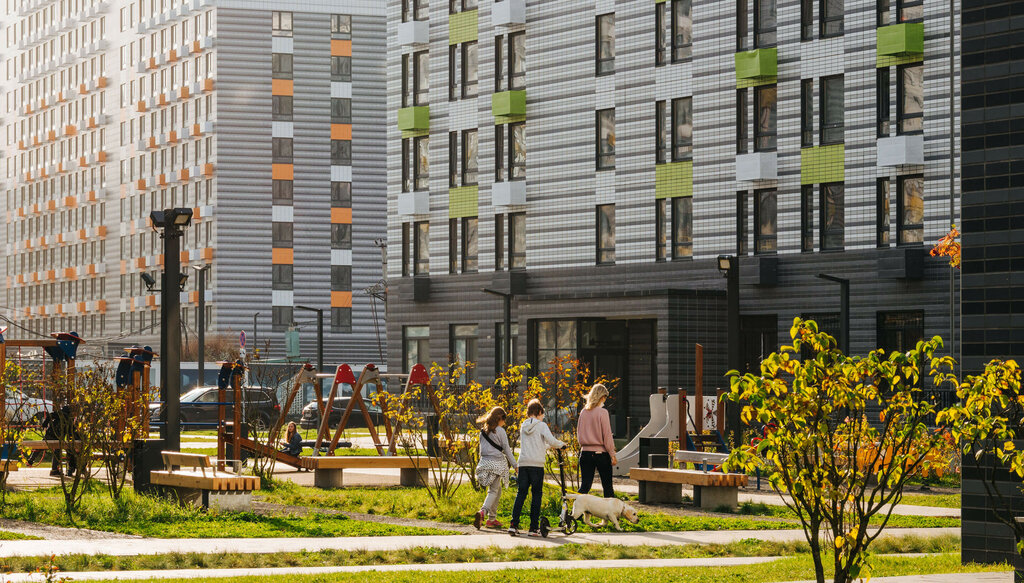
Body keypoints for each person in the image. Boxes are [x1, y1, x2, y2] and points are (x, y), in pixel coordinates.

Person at [509, 399, 565, 537]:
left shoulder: (523, 425)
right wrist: (561, 444)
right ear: (539, 412)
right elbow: (552, 440)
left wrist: (548, 446)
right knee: (536, 495)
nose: (543, 417)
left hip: (523, 464)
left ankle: (513, 525)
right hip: (536, 466)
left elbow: (535, 444)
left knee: (521, 494)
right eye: (542, 414)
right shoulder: (541, 425)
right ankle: (533, 528)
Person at [473, 406, 517, 529]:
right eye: (504, 419)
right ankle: (483, 512)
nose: (504, 422)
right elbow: (506, 449)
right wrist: (515, 465)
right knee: (493, 491)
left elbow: (481, 450)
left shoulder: (483, 431)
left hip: (484, 462)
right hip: (496, 463)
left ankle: (491, 519)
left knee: (497, 490)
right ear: (499, 418)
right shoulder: (500, 431)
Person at [577, 383, 617, 498]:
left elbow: (579, 433)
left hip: (585, 453)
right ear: (602, 397)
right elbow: (607, 435)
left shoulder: (583, 412)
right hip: (601, 453)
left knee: (585, 486)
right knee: (607, 487)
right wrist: (612, 454)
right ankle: (610, 509)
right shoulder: (603, 412)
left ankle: (575, 507)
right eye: (605, 397)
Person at [43, 405, 78, 477]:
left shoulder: (58, 415)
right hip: (59, 438)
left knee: (42, 445)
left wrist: (44, 424)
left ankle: (31, 460)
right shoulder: (68, 420)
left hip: (50, 435)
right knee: (59, 451)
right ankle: (57, 469)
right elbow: (71, 432)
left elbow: (50, 416)